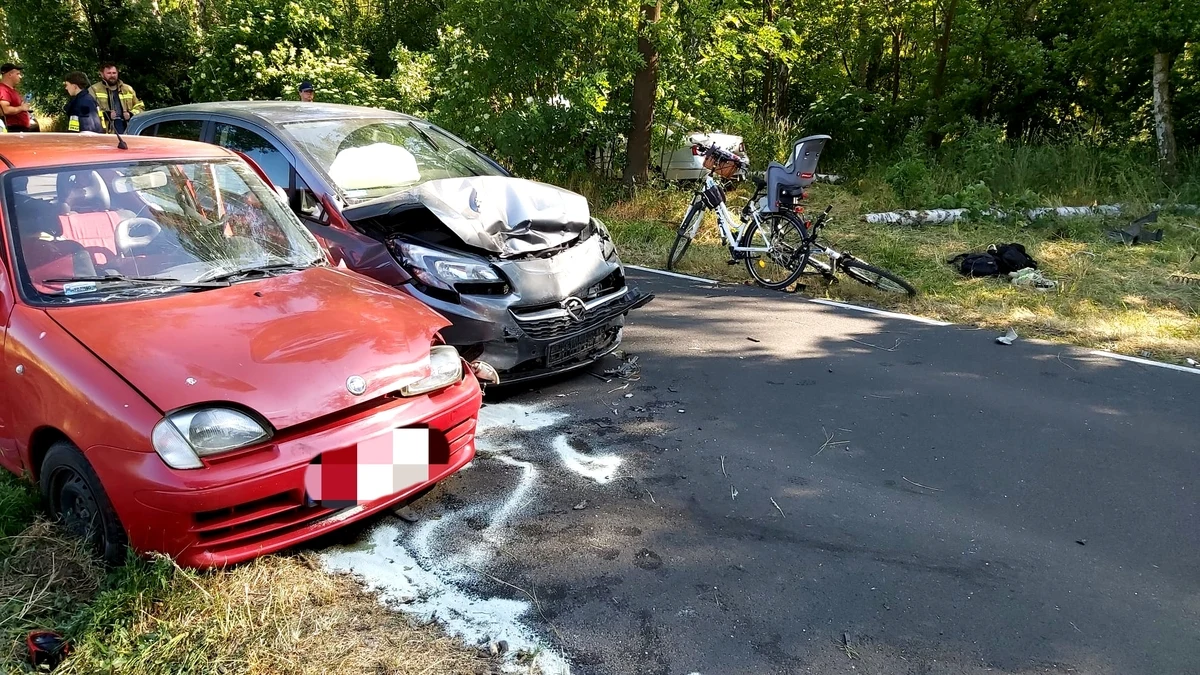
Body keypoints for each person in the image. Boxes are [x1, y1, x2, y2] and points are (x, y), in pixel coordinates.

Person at [88, 62, 144, 134]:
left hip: (127, 129)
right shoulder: (94, 89)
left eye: (114, 73)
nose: (112, 75)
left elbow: (140, 107)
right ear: (102, 74)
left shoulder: (128, 89)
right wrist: (106, 115)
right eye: (109, 73)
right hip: (105, 132)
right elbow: (88, 111)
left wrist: (131, 114)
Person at [0, 64, 34, 133]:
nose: (20, 77)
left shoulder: (12, 90)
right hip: (13, 129)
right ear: (10, 75)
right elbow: (5, 110)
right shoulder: (3, 89)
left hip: (20, 129)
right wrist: (21, 108)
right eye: (17, 74)